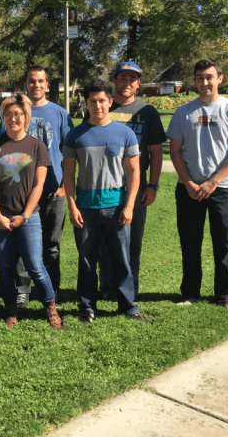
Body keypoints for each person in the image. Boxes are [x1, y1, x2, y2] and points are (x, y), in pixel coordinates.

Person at [167, 59, 228, 312]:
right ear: (195, 80)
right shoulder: (183, 112)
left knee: (224, 243)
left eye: (209, 77)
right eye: (199, 78)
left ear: (219, 79)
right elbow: (175, 151)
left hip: (223, 188)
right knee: (190, 243)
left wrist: (214, 181)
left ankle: (225, 295)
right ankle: (190, 293)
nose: (204, 82)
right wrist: (189, 182)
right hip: (189, 189)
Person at [62, 79, 145, 324]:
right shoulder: (75, 135)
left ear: (110, 101)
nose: (97, 106)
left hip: (117, 207)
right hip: (85, 209)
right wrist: (72, 205)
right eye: (92, 101)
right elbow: (68, 173)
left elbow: (134, 172)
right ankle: (87, 307)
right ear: (86, 103)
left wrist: (129, 206)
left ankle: (128, 306)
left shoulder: (125, 133)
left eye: (101, 101)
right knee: (87, 261)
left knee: (122, 260)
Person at [0, 94, 62, 329]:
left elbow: (38, 185)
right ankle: (11, 310)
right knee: (5, 267)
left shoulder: (37, 146)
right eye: (8, 115)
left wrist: (25, 215)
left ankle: (50, 307)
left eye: (17, 114)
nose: (13, 118)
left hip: (29, 216)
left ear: (26, 116)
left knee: (36, 266)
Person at [0, 66, 73, 306]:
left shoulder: (60, 114)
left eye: (41, 81)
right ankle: (23, 289)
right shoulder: (14, 112)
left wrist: (64, 186)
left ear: (47, 84)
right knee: (21, 245)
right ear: (25, 84)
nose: (36, 85)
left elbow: (69, 152)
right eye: (32, 81)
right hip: (20, 192)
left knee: (51, 244)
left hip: (52, 190)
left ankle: (51, 289)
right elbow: (2, 149)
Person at [98, 61, 166, 300]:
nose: (127, 83)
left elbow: (156, 152)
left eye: (132, 79)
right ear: (114, 81)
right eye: (122, 78)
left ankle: (130, 286)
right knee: (106, 240)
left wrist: (153, 185)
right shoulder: (102, 106)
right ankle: (107, 287)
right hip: (104, 185)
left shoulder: (147, 112)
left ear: (138, 84)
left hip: (135, 186)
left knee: (132, 240)